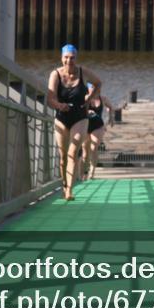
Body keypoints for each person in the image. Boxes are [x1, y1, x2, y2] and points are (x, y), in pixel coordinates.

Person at [46, 45, 101, 200]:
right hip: (62, 117)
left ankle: (70, 190)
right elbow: (50, 98)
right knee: (63, 156)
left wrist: (89, 99)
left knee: (73, 152)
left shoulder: (83, 72)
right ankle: (64, 185)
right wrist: (59, 105)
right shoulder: (55, 74)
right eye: (66, 57)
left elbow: (98, 83)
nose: (69, 61)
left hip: (80, 117)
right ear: (61, 58)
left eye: (72, 57)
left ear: (76, 58)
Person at [81, 83, 116, 180]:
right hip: (85, 125)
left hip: (98, 126)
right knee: (85, 151)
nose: (93, 89)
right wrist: (87, 112)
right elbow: (78, 109)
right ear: (88, 89)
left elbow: (110, 107)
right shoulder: (85, 98)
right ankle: (85, 172)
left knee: (94, 148)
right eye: (91, 87)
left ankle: (92, 172)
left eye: (95, 87)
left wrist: (111, 118)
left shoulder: (103, 99)